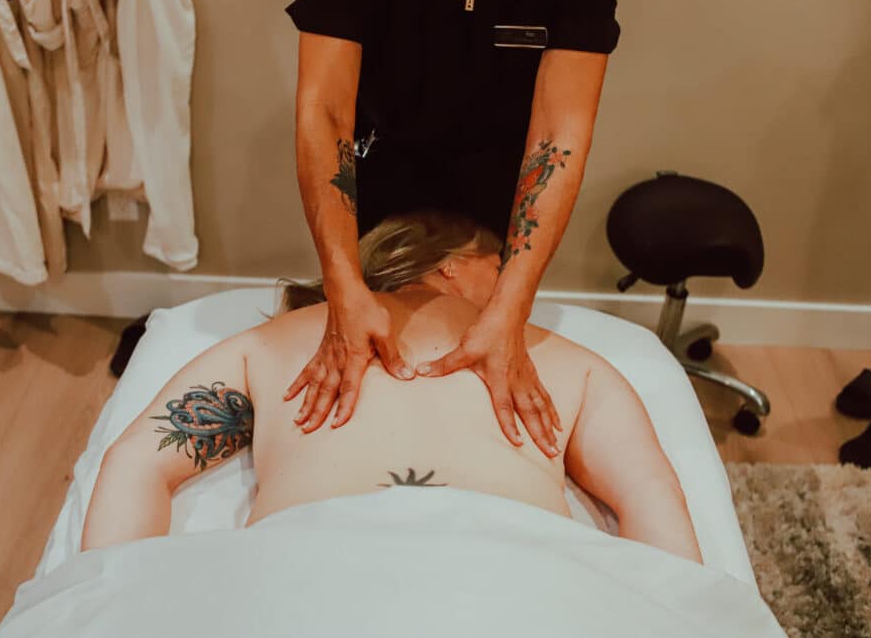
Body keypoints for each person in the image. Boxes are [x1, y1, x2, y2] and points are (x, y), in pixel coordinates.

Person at [82, 212, 702, 565]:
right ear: (452, 263)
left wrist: (111, 604)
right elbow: (648, 493)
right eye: (501, 267)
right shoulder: (565, 362)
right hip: (513, 572)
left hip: (304, 572)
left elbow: (137, 460)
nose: (519, 288)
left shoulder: (276, 343)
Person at [283, 0, 630, 455]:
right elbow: (326, 108)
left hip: (500, 180)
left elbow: (559, 132)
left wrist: (512, 306)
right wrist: (341, 283)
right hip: (381, 160)